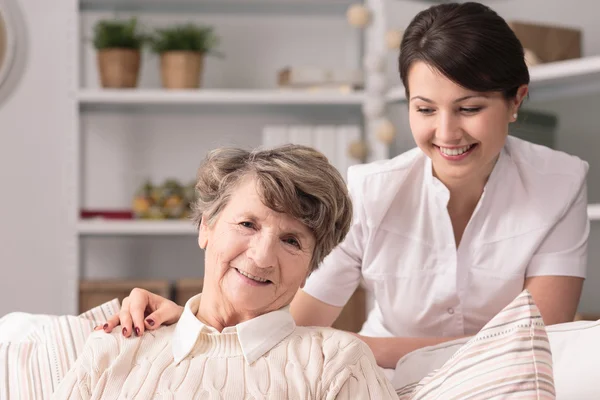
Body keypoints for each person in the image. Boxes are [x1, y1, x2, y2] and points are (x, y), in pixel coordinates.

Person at [102, 1, 589, 371]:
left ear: (516, 99)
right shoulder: (372, 190)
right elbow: (293, 326)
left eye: (469, 108)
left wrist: (363, 345)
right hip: (385, 382)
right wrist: (194, 320)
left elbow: (539, 345)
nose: (446, 133)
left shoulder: (560, 184)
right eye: (424, 109)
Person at [52, 146, 397, 399]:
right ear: (206, 227)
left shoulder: (337, 363)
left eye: (291, 241)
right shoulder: (114, 348)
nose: (262, 257)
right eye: (248, 224)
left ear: (311, 266)